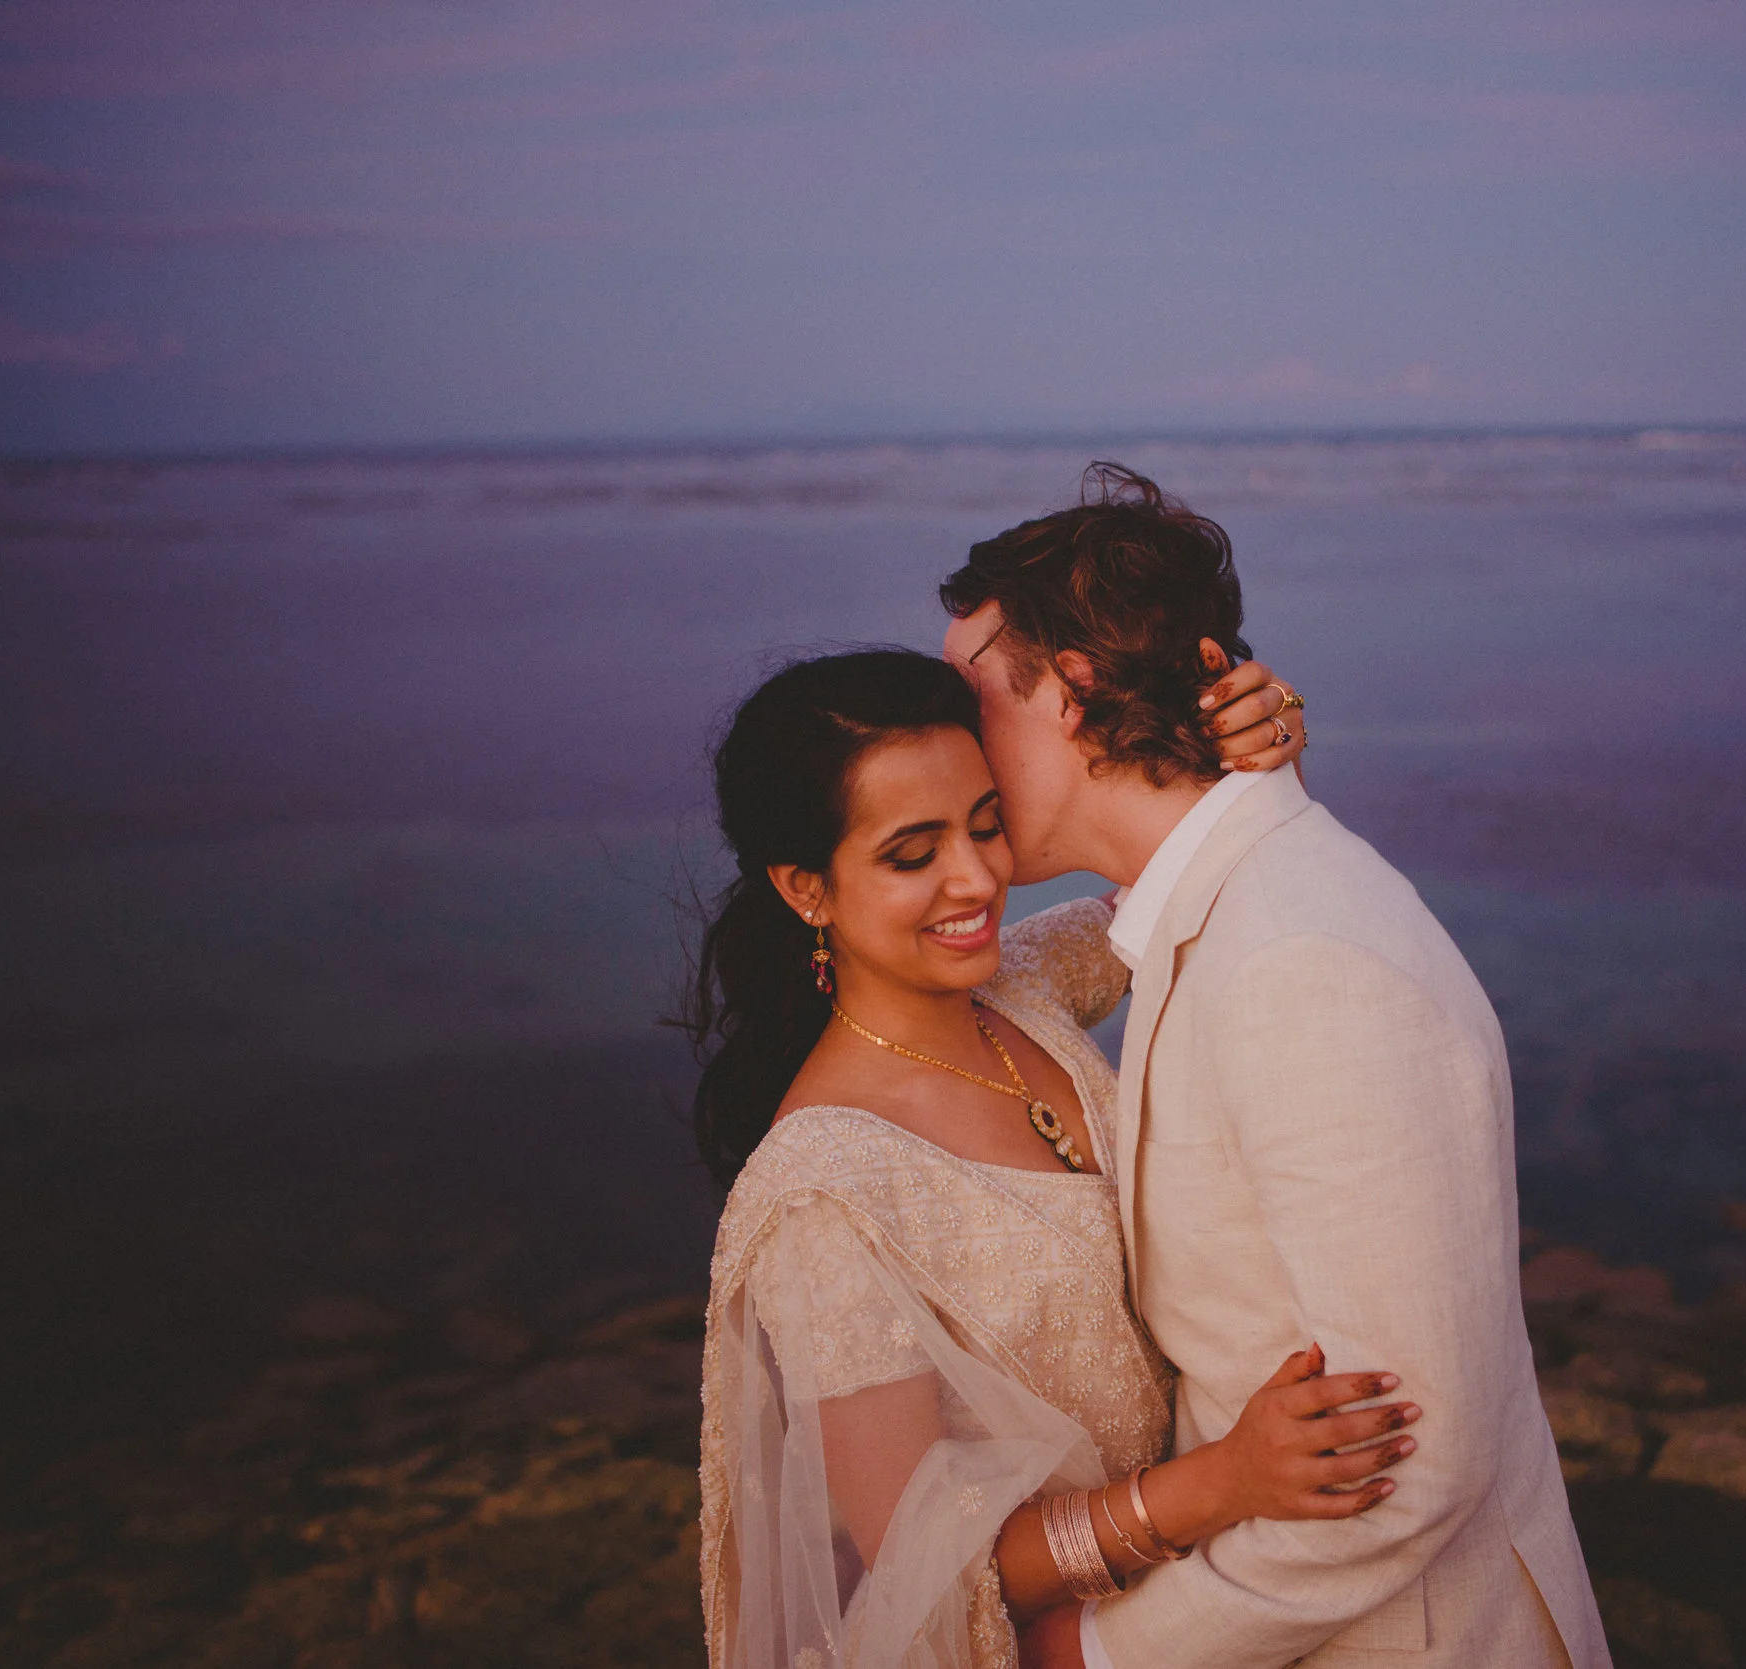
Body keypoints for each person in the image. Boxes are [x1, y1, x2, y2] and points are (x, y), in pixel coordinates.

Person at [938, 465, 1612, 1669]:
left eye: (968, 697)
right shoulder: (1216, 904)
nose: (947, 742)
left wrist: (1096, 1653)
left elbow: (1411, 1464)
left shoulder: (1306, 967)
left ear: (1073, 694)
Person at [689, 646, 1418, 1669]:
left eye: (986, 824)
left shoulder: (1022, 985)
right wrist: (1220, 1483)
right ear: (807, 888)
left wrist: (1256, 755)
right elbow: (929, 1577)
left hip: (1230, 1600)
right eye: (913, 853)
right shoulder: (821, 1195)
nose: (977, 878)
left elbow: (1195, 878)